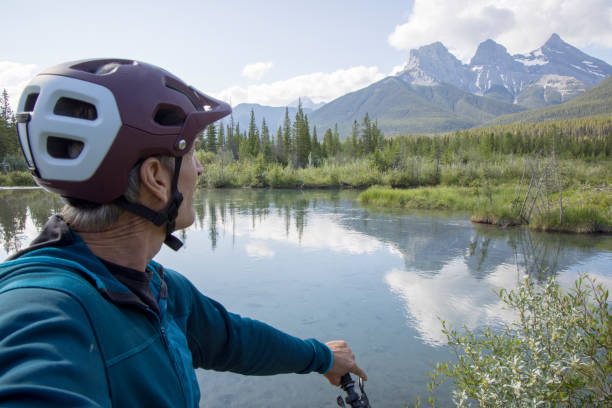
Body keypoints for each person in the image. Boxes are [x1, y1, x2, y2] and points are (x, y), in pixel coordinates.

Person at [0, 59, 366, 407]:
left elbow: (235, 340)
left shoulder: (157, 288)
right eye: (191, 152)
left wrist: (322, 357)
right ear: (157, 178)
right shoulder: (42, 311)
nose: (201, 169)